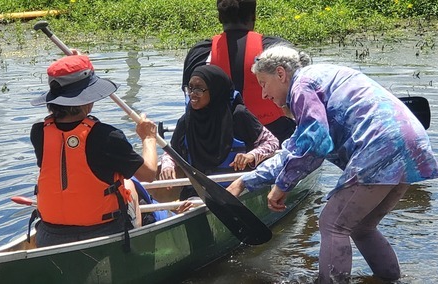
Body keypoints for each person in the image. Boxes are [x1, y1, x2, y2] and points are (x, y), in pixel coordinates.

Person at [226, 45, 438, 283]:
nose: (264, 95)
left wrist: (283, 185)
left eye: (263, 83)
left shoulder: (301, 86)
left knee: (332, 224)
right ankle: (389, 279)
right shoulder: (320, 80)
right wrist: (245, 180)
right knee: (361, 226)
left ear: (280, 73)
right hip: (409, 143)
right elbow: (294, 150)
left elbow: (316, 142)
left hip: (381, 144)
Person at [29, 55, 158, 249]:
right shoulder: (107, 136)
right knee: (130, 184)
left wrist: (75, 69)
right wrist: (148, 138)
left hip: (49, 236)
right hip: (104, 233)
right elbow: (149, 174)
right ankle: (134, 249)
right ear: (88, 98)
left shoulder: (39, 133)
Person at [182, 0, 296, 145]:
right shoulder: (276, 48)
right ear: (254, 15)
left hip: (216, 142)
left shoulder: (199, 52)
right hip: (277, 136)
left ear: (219, 17)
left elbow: (190, 100)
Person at [160, 64, 279, 201]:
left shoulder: (239, 116)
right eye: (190, 88)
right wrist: (167, 165)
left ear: (215, 90)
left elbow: (272, 142)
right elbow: (171, 152)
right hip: (198, 192)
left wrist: (251, 156)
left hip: (236, 189)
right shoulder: (186, 120)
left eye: (199, 89)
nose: (192, 94)